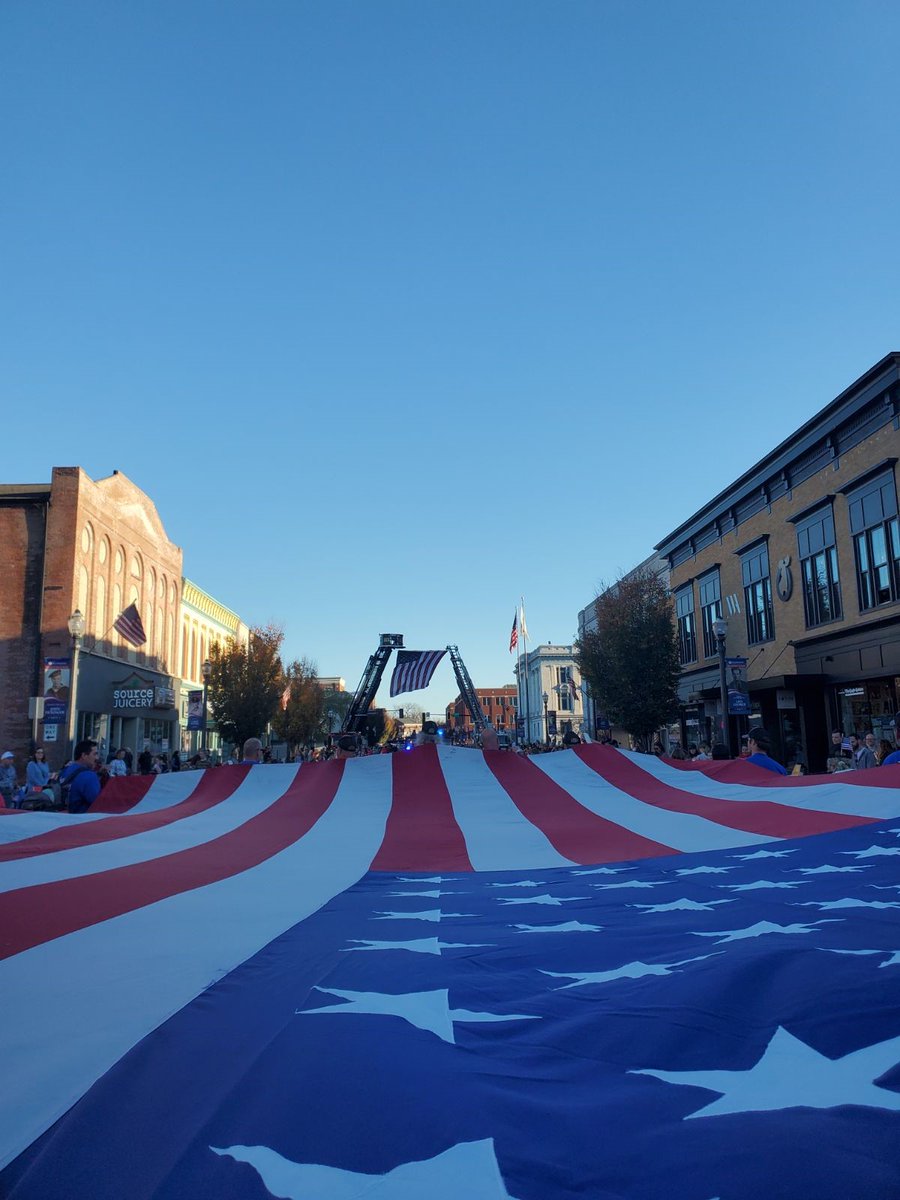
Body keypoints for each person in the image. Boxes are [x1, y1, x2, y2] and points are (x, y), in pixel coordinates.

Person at [60, 739, 102, 813]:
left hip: (63, 817)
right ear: (84, 755)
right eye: (95, 754)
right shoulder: (89, 775)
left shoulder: (65, 770)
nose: (97, 758)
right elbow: (98, 803)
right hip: (83, 820)